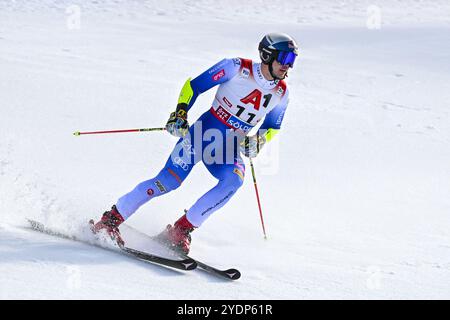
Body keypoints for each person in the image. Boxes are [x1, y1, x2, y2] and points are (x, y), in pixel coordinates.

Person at [91, 33, 299, 254]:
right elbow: (194, 86)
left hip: (227, 149)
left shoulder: (282, 94)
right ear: (267, 55)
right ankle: (109, 221)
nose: (288, 66)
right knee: (168, 182)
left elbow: (272, 127)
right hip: (201, 135)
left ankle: (180, 230)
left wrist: (260, 140)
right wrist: (180, 112)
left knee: (233, 181)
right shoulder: (236, 68)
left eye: (292, 60)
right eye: (285, 59)